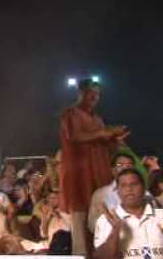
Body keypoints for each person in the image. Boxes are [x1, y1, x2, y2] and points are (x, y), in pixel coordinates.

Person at [59, 78, 130, 255]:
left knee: (101, 226)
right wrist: (105, 132)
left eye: (98, 94)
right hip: (79, 177)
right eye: (91, 93)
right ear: (80, 92)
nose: (94, 97)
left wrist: (115, 139)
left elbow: (105, 144)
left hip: (99, 177)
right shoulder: (71, 113)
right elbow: (75, 136)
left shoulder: (97, 119)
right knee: (81, 230)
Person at [94, 168, 163, 259]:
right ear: (117, 191)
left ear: (144, 188)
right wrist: (115, 230)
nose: (129, 189)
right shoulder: (105, 220)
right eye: (123, 185)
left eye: (134, 184)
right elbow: (102, 257)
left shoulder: (160, 216)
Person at [87, 152, 135, 233]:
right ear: (113, 170)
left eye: (129, 165)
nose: (125, 168)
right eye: (120, 165)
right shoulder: (100, 194)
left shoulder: (143, 193)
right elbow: (92, 224)